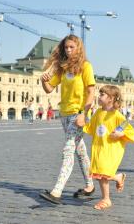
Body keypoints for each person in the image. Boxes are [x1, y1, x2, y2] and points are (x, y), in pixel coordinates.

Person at [39, 34, 95, 205]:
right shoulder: (63, 68)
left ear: (78, 48)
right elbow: (49, 89)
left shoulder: (86, 67)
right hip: (64, 114)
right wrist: (43, 81)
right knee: (80, 151)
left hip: (78, 114)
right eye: (66, 47)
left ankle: (57, 191)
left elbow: (91, 92)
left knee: (68, 149)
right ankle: (90, 185)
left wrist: (83, 114)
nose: (69, 50)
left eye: (72, 47)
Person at [83, 85, 134, 210]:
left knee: (102, 172)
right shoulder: (98, 112)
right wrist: (82, 121)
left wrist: (120, 133)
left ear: (111, 98)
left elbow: (130, 130)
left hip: (111, 149)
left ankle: (106, 199)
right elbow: (91, 126)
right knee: (100, 173)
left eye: (102, 94)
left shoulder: (117, 116)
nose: (98, 96)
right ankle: (118, 177)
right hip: (99, 147)